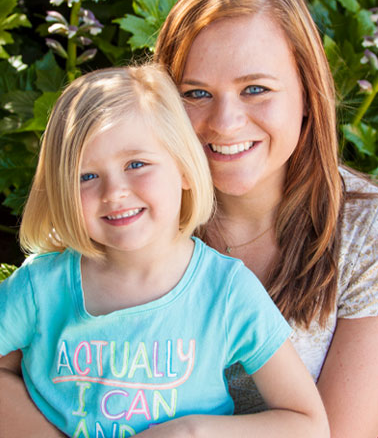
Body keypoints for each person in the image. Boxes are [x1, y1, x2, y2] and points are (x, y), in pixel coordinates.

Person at [0, 63, 329, 438]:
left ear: (185, 169)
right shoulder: (41, 285)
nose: (114, 192)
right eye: (86, 176)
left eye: (136, 164)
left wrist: (193, 432)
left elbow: (308, 424)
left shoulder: (226, 291)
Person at [153, 0, 378, 437]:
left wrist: (195, 434)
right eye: (196, 93)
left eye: (255, 89)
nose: (226, 123)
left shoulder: (363, 231)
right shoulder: (120, 205)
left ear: (306, 96)